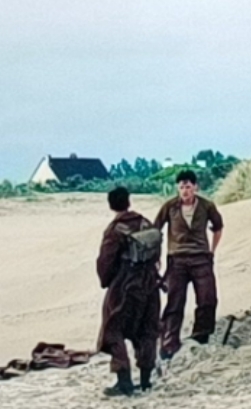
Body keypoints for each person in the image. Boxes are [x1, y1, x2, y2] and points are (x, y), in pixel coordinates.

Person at [95, 186, 161, 396]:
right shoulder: (145, 222)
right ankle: (145, 380)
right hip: (150, 283)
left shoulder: (115, 229)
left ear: (111, 204)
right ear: (128, 201)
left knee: (113, 329)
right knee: (147, 330)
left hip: (125, 284)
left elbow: (106, 261)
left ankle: (124, 380)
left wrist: (107, 281)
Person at [152, 169, 224, 359]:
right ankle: (168, 343)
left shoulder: (207, 206)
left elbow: (218, 227)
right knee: (175, 302)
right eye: (181, 187)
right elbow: (155, 231)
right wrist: (156, 256)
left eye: (188, 187)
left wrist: (212, 251)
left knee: (208, 299)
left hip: (201, 258)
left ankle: (201, 337)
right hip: (177, 260)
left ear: (195, 187)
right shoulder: (169, 206)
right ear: (178, 188)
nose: (185, 191)